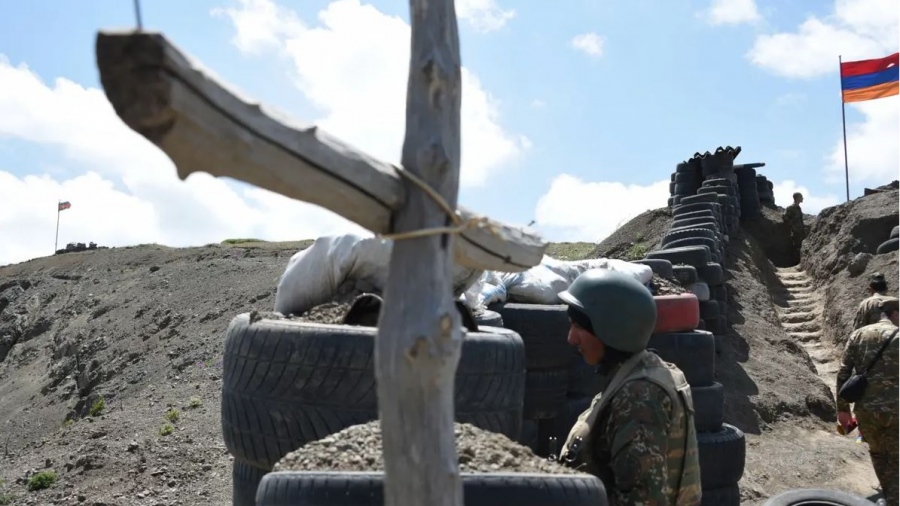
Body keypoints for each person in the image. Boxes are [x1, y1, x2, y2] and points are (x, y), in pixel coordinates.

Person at [555, 269, 701, 505]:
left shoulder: (639, 397)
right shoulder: (641, 373)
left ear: (611, 329)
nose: (571, 339)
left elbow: (642, 499)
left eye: (579, 327)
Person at [836, 297, 899, 506]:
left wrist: (842, 410)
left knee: (879, 454)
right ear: (895, 313)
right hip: (896, 410)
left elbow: (843, 373)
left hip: (866, 412)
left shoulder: (858, 335)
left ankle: (891, 497)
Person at [782, 192, 806, 263]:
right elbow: (785, 217)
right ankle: (795, 263)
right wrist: (792, 225)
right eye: (801, 197)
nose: (802, 198)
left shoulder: (798, 208)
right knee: (796, 247)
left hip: (800, 231)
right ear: (797, 198)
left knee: (799, 247)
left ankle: (799, 263)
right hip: (795, 231)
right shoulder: (791, 208)